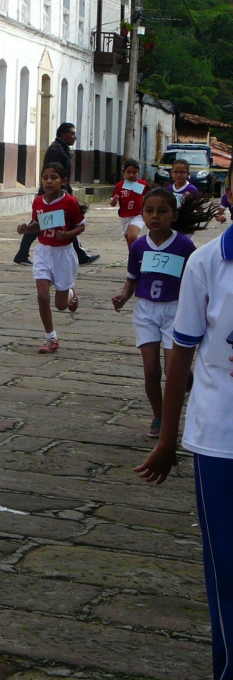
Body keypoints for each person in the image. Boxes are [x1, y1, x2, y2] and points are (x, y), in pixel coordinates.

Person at [134, 217, 233, 680]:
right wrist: (168, 438)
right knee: (227, 572)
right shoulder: (208, 262)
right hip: (220, 440)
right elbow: (182, 353)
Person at [112, 188, 215, 436]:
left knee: (172, 372)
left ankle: (172, 416)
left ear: (174, 216)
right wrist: (124, 296)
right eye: (149, 211)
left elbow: (196, 280)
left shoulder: (184, 245)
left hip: (175, 310)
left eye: (162, 211)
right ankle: (158, 416)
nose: (155, 216)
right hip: (146, 310)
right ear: (142, 214)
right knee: (151, 370)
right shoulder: (138, 247)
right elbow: (133, 277)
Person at [15, 161, 85, 354]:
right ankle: (51, 337)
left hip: (63, 254)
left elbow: (81, 225)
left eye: (53, 177)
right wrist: (27, 228)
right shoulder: (38, 202)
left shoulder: (69, 202)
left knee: (61, 306)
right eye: (45, 178)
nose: (49, 181)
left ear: (63, 181)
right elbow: (38, 224)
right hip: (44, 252)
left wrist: (68, 235)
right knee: (42, 296)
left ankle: (70, 294)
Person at [13, 122, 99, 266]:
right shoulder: (56, 149)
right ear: (63, 135)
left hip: (60, 192)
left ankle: (80, 254)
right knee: (43, 223)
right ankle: (22, 254)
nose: (75, 137)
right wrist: (58, 189)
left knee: (61, 221)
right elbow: (52, 172)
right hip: (52, 194)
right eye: (72, 134)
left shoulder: (62, 149)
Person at [111, 158, 151, 248]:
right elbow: (112, 204)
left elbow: (149, 197)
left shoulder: (142, 184)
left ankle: (142, 248)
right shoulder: (120, 185)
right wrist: (114, 200)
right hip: (124, 217)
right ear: (123, 172)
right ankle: (134, 257)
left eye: (134, 172)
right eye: (128, 172)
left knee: (132, 236)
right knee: (130, 242)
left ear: (138, 172)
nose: (131, 175)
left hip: (138, 215)